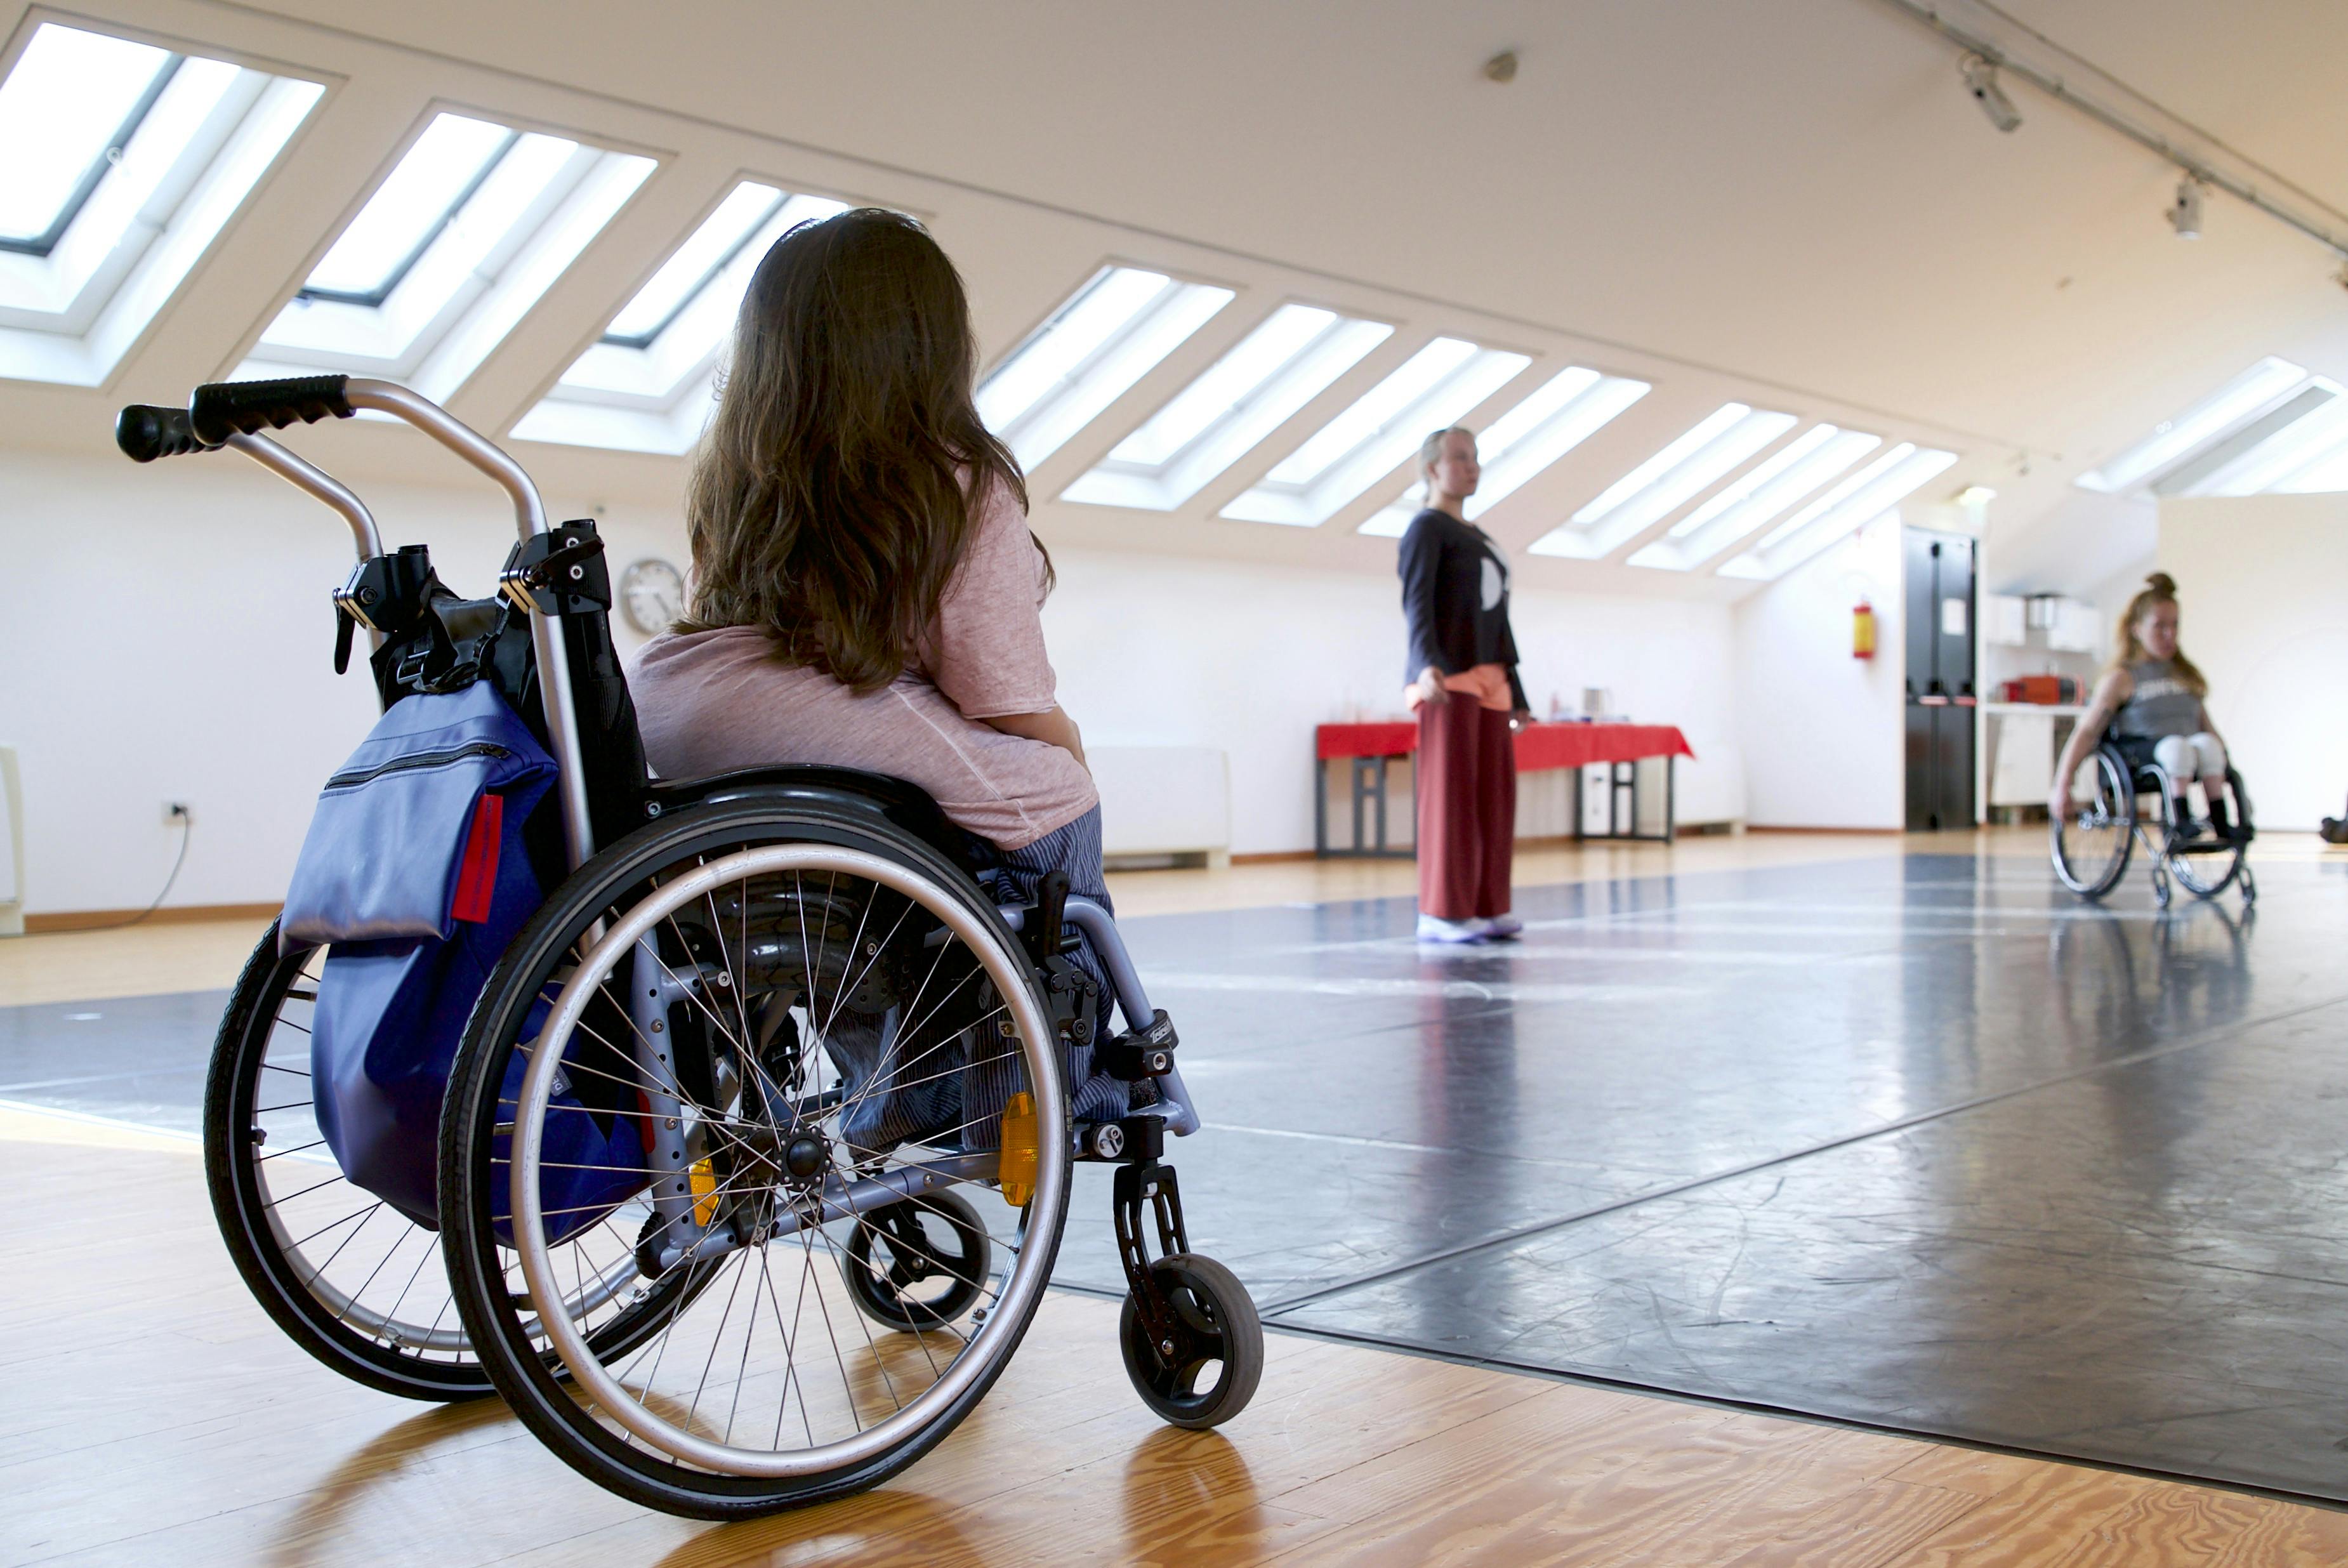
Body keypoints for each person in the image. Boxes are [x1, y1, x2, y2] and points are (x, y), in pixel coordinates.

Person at [626, 207, 1127, 1140]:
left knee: (892, 848)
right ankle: (1046, 1095)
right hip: (800, 721)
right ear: (926, 342)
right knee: (1053, 801)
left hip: (673, 718)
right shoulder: (953, 481)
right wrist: (1072, 747)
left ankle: (883, 1073)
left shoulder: (740, 471)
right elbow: (1001, 695)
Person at [1397, 426, 1531, 944]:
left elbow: (1497, 617)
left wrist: (1517, 689)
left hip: (1491, 677)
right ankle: (1443, 911)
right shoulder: (1426, 529)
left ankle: (1486, 904)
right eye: (1461, 458)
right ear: (1433, 468)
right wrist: (1424, 663)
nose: (1473, 467)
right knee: (1451, 797)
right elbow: (1416, 603)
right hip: (1447, 676)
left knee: (1494, 797)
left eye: (1476, 458)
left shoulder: (1480, 536)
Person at [2048, 571, 2243, 842]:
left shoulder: (2185, 676)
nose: (2169, 634)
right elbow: (2088, 731)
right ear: (2137, 629)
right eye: (2160, 626)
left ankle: (2221, 821)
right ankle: (2180, 820)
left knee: (2208, 745)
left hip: (2189, 753)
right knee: (2176, 747)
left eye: (2175, 625)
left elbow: (2207, 727)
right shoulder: (2122, 678)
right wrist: (2063, 782)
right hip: (2142, 754)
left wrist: (2228, 767)